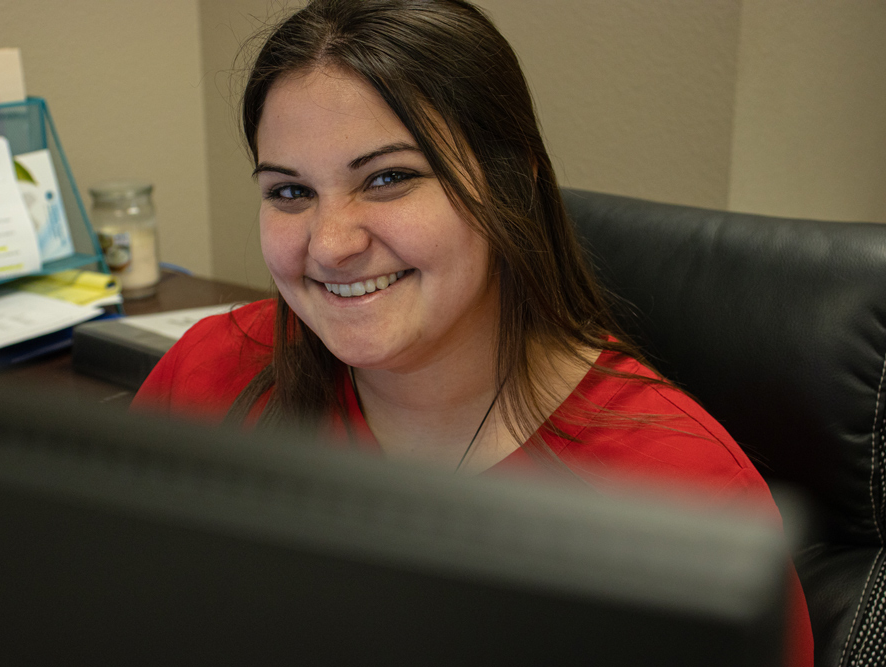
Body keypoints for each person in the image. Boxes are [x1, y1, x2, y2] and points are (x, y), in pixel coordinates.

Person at [132, 0, 812, 663]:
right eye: (289, 192)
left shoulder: (684, 495)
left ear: (514, 179)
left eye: (389, 178)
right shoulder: (210, 375)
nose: (331, 243)